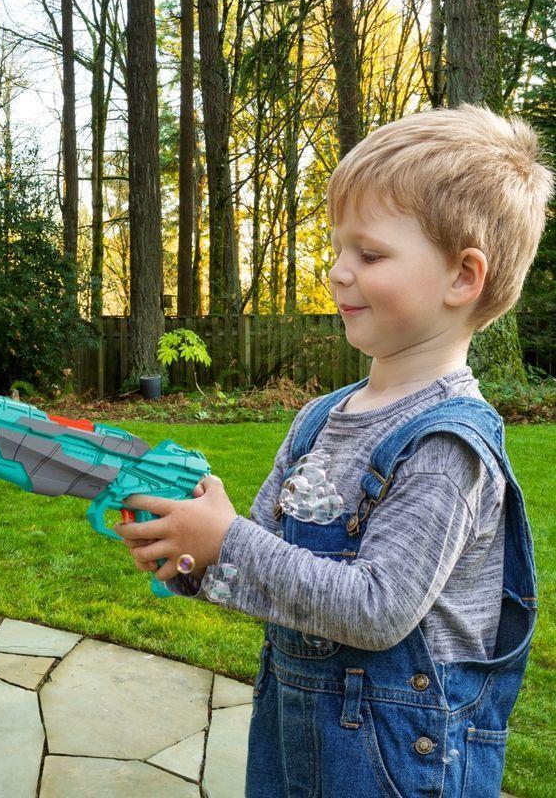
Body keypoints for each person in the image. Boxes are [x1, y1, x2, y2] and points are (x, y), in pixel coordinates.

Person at [115, 104, 552, 797]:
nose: (337, 271)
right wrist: (194, 555)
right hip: (293, 741)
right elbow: (264, 559)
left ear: (463, 277)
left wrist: (229, 541)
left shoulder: (446, 446)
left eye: (370, 254)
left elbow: (377, 609)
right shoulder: (320, 419)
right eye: (339, 247)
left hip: (396, 766)